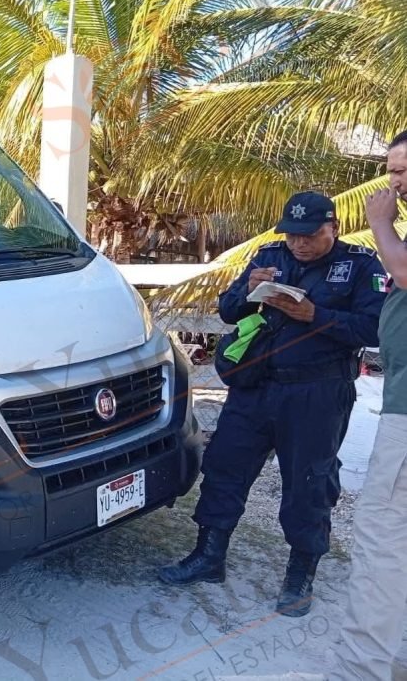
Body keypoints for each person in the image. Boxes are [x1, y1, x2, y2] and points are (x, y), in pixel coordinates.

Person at [158, 190, 386, 618]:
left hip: (316, 394)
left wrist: (313, 316)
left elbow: (373, 329)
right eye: (293, 234)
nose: (299, 243)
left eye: (310, 235)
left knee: (309, 483)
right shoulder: (269, 256)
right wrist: (248, 288)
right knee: (225, 468)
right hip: (255, 389)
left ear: (332, 228)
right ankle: (209, 557)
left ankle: (300, 573)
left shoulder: (360, 266)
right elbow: (227, 311)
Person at [326, 131, 407, 680]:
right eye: (391, 170)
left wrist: (381, 222)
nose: (394, 183)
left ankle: (363, 669)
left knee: (383, 535)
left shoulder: (388, 234)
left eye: (403, 171)